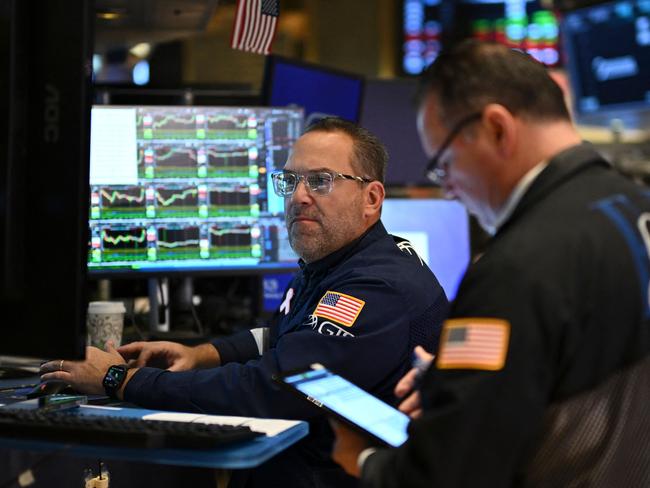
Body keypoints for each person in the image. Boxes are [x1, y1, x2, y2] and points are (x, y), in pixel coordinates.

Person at [42, 117, 449, 487]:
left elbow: (269, 389)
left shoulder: (376, 286)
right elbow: (282, 334)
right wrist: (205, 353)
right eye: (291, 182)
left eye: (321, 180)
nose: (300, 197)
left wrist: (120, 380)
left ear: (372, 199)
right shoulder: (337, 260)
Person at [331, 40, 650, 487]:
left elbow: (446, 475)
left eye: (443, 164)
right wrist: (462, 384)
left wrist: (362, 459)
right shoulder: (636, 205)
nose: (449, 190)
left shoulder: (515, 267)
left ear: (497, 128)